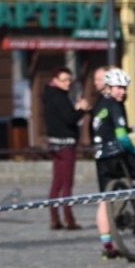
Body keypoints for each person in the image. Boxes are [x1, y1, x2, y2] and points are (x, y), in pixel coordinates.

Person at [91, 68, 135, 258]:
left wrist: (130, 128)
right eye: (118, 88)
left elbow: (109, 128)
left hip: (100, 158)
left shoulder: (100, 104)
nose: (122, 91)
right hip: (117, 156)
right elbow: (121, 138)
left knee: (104, 200)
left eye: (124, 88)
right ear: (109, 87)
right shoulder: (115, 105)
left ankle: (107, 246)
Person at [42, 67, 90, 231]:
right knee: (67, 183)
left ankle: (55, 218)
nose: (68, 83)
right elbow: (69, 118)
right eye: (64, 80)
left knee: (57, 182)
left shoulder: (48, 95)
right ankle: (69, 219)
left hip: (54, 144)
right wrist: (82, 109)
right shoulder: (59, 97)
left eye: (69, 80)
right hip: (66, 144)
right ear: (55, 80)